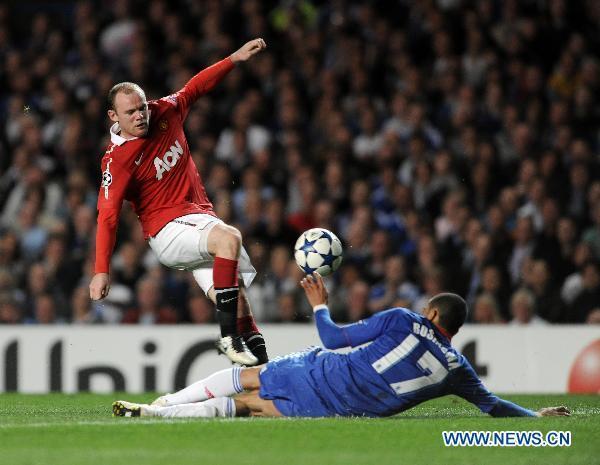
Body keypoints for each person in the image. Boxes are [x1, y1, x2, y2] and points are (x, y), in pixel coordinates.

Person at [113, 274, 570, 419]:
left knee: (244, 377)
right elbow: (493, 407)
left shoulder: (403, 319)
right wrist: (537, 418)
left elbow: (331, 338)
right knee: (251, 407)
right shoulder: (457, 368)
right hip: (339, 412)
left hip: (324, 373)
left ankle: (162, 407)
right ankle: (159, 414)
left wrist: (320, 305)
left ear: (431, 314)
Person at [89, 39, 268, 366]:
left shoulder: (164, 112)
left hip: (199, 218)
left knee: (237, 298)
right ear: (113, 116)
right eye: (130, 112)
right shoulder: (116, 162)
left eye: (141, 107)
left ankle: (262, 373)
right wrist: (101, 271)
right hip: (168, 232)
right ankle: (228, 338)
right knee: (230, 238)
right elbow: (107, 217)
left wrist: (233, 59)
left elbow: (194, 87)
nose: (140, 116)